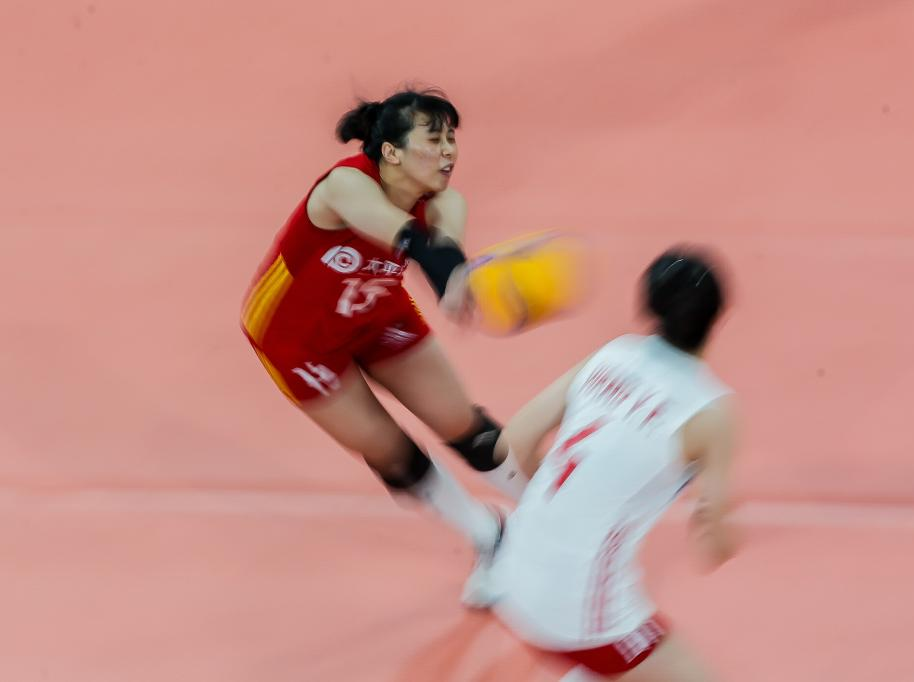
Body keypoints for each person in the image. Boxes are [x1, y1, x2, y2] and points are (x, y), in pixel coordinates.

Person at [240, 87, 526, 605]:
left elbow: (443, 251)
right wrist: (445, 269)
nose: (448, 152)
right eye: (433, 140)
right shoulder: (345, 186)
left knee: (465, 427)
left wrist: (457, 282)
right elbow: (409, 240)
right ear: (391, 151)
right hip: (297, 341)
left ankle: (556, 517)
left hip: (376, 314)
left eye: (451, 140)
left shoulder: (447, 202)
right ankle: (489, 534)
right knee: (393, 456)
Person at [489, 247, 739, 680]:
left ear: (649, 307)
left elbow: (514, 441)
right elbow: (713, 547)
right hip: (579, 612)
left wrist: (563, 508)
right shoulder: (710, 411)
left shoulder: (612, 355)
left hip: (508, 576)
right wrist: (728, 536)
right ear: (717, 318)